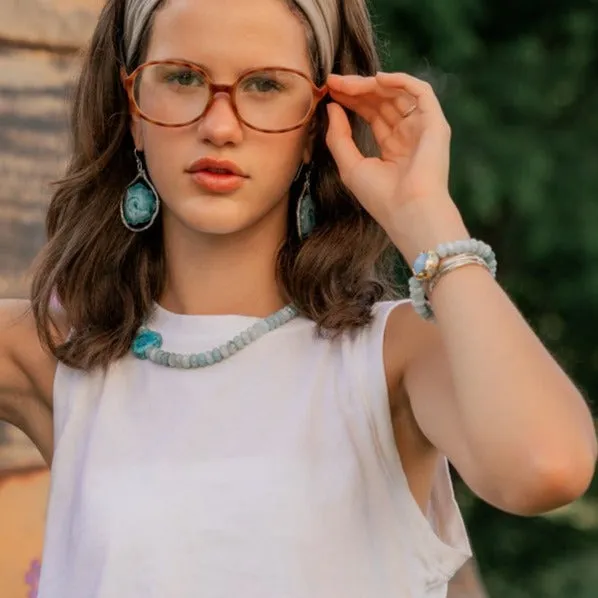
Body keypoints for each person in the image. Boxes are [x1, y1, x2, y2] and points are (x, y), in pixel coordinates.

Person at [0, 0, 595, 596]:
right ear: (132, 109)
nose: (220, 125)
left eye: (265, 85)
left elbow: (546, 468)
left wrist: (426, 218)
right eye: (182, 77)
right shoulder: (54, 353)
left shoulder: (393, 355)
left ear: (317, 126)